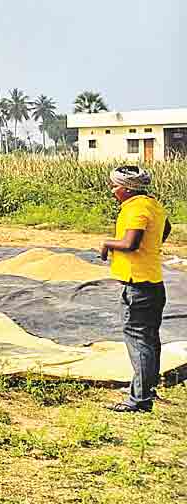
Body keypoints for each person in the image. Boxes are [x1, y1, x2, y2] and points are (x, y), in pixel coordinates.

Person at [100, 165, 172, 413]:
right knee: (150, 339)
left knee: (138, 340)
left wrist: (107, 243)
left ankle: (139, 401)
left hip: (137, 285)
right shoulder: (152, 204)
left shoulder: (135, 209)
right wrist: (151, 247)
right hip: (153, 282)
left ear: (128, 189)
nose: (113, 191)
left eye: (115, 186)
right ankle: (146, 389)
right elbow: (167, 228)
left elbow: (130, 243)